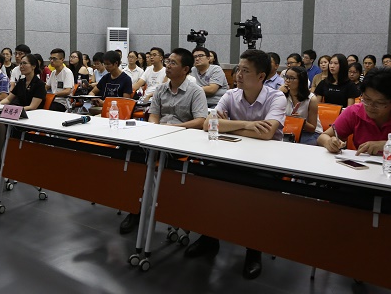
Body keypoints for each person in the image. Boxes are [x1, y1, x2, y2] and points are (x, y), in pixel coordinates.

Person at [185, 49, 286, 280]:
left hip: (264, 163)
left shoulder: (276, 97)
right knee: (207, 181)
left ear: (261, 76)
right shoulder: (231, 95)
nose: (238, 74)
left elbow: (266, 133)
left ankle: (253, 249)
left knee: (256, 197)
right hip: (231, 157)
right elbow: (208, 124)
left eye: (245, 71)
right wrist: (249, 125)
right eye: (238, 69)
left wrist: (229, 126)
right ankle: (209, 237)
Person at [119, 48, 208, 235]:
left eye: (173, 63)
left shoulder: (196, 91)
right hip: (158, 137)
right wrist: (155, 129)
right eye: (168, 62)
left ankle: (167, 209)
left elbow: (200, 121)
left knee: (152, 161)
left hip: (182, 140)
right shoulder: (160, 89)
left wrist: (172, 129)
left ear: (185, 69)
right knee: (130, 153)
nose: (168, 66)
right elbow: (154, 115)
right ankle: (136, 207)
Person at [318, 67, 391, 161]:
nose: (370, 107)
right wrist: (330, 142)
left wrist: (388, 146)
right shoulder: (354, 111)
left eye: (379, 103)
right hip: (361, 171)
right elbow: (323, 137)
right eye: (367, 99)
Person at [0, 54, 48, 184]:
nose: (21, 66)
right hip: (16, 115)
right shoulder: (21, 82)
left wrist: (14, 110)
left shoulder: (40, 84)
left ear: (33, 66)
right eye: (20, 63)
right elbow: (8, 99)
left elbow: (32, 107)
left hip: (29, 118)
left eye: (24, 63)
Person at [279, 66, 322, 145]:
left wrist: (301, 121)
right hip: (289, 130)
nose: (287, 81)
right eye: (286, 77)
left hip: (308, 132)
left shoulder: (311, 99)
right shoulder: (282, 94)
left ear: (301, 80)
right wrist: (278, 93)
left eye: (291, 78)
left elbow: (312, 128)